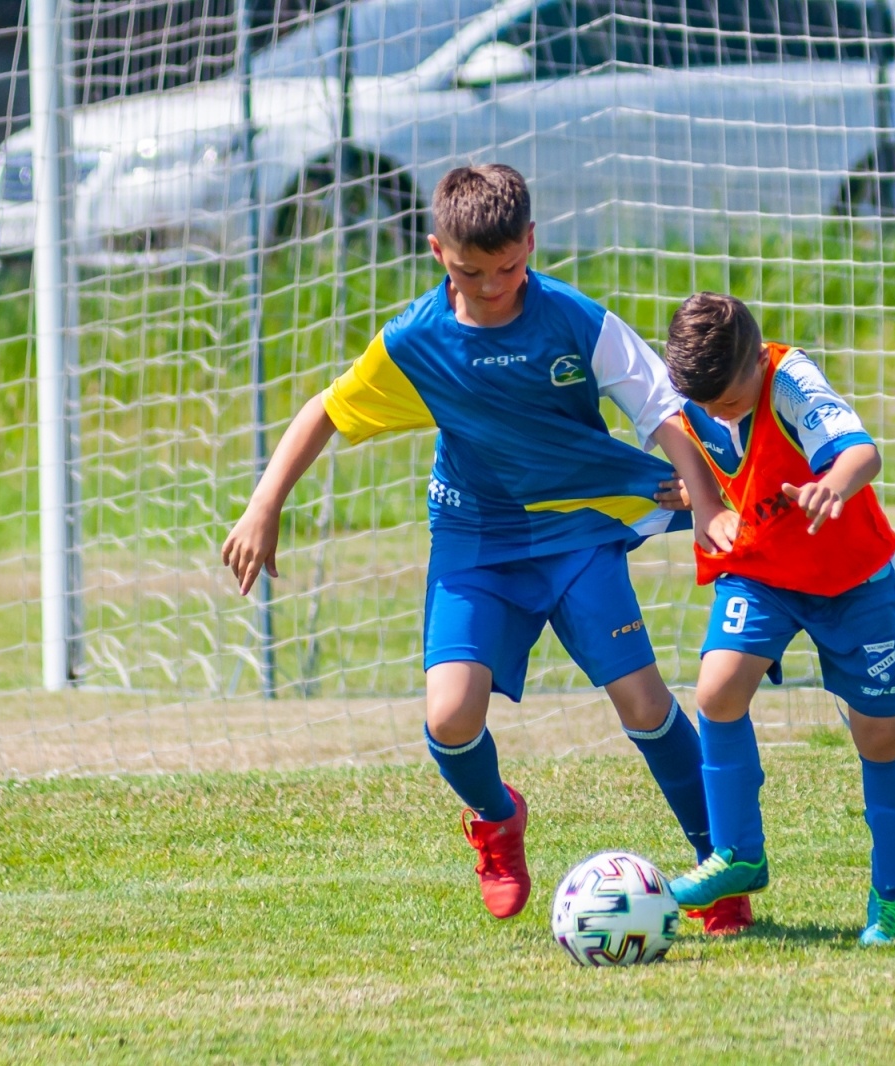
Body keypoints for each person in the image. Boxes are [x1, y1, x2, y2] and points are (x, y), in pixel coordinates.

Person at [221, 164, 757, 932]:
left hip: (575, 532)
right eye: (474, 271)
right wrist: (263, 506)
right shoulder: (417, 341)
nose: (496, 284)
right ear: (439, 251)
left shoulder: (573, 319)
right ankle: (496, 821)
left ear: (531, 242)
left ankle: (720, 867)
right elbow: (328, 409)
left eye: (510, 267)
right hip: (477, 541)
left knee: (643, 701)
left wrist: (704, 496)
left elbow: (659, 404)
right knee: (448, 716)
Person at [653, 292, 895, 946]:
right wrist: (697, 493)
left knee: (878, 738)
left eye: (730, 403)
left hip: (851, 579)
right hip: (764, 573)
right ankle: (738, 853)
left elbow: (861, 452)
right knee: (716, 690)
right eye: (706, 407)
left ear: (754, 361)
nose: (718, 415)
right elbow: (717, 454)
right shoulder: (689, 398)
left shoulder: (789, 378)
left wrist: (835, 483)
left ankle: (891, 897)